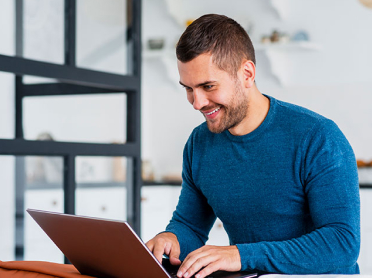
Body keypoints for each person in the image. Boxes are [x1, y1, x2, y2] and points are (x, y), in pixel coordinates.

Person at [145, 14, 360, 278]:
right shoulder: (199, 144)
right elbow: (190, 225)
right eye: (188, 88)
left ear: (247, 73)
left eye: (208, 86)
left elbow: (342, 244)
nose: (197, 102)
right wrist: (171, 238)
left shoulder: (318, 136)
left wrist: (241, 254)